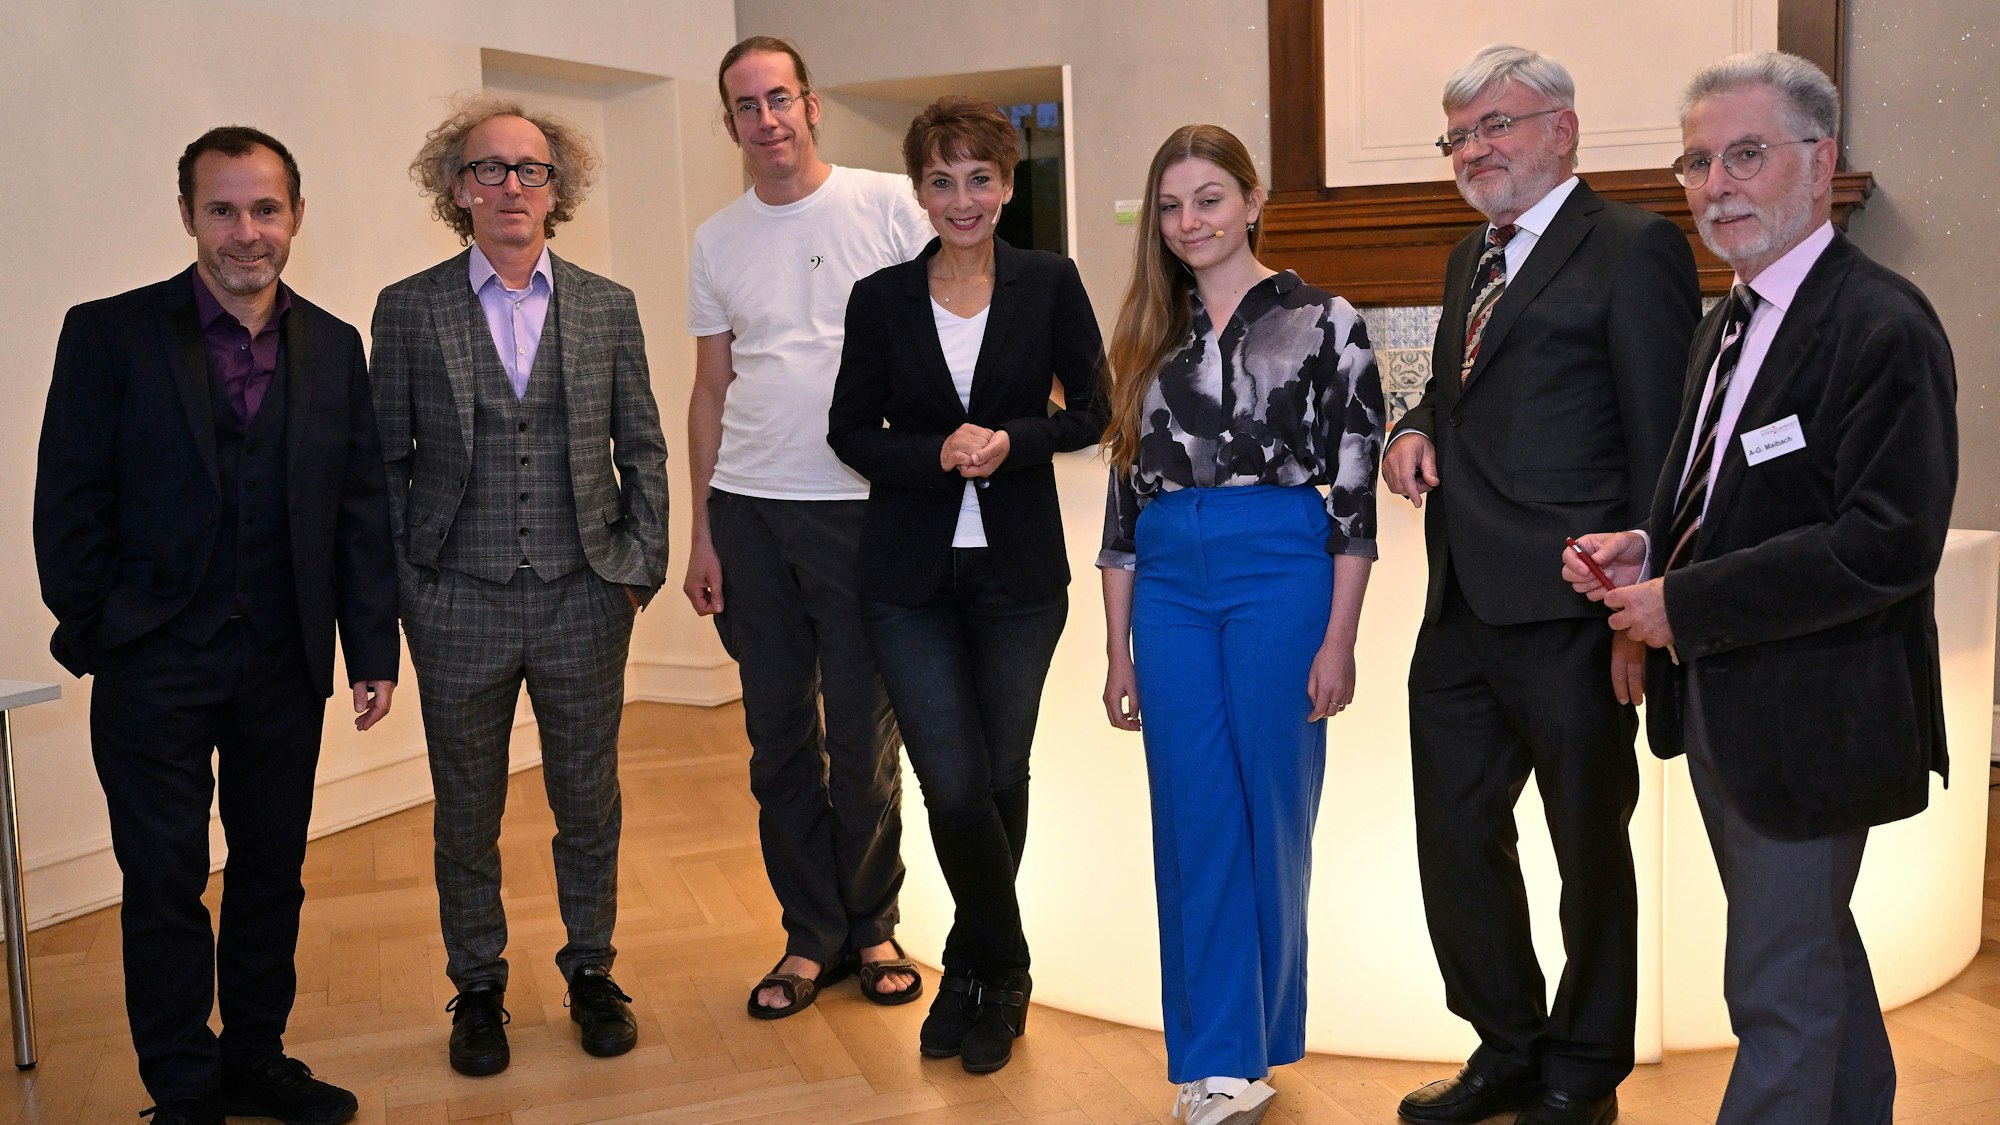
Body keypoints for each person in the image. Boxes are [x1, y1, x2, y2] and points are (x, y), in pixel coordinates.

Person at [1564, 51, 1956, 1125]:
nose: (1714, 184)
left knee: (1773, 992)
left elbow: (1886, 543)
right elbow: (1725, 499)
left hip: (1815, 720)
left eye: (1743, 154)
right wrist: (1648, 550)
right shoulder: (1723, 320)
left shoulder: (1880, 325)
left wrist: (1680, 607)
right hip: (1736, 713)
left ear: (1819, 163)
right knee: (1812, 960)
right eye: (1696, 161)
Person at [33, 125, 398, 1125]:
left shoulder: (332, 344)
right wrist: (104, 629)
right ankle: (183, 1088)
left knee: (272, 870)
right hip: (155, 660)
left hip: (284, 658)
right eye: (224, 210)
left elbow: (360, 507)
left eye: (265, 209)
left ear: (296, 216)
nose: (247, 231)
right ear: (189, 215)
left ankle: (256, 1057)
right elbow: (68, 501)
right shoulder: (108, 333)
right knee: (163, 880)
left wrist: (370, 648)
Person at [1383, 46, 1699, 1125]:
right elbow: (1454, 389)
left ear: (1561, 128)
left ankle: (1583, 1067)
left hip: (1575, 612)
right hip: (1457, 609)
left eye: (1496, 126)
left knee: (1585, 853)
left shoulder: (1634, 248)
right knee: (1455, 841)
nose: (1475, 151)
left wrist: (1636, 616)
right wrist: (1416, 426)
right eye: (1458, 135)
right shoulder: (1469, 254)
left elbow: (1662, 442)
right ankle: (1505, 1045)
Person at [371, 94, 669, 1076]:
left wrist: (638, 570)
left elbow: (646, 448)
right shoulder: (409, 307)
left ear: (556, 189)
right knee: (466, 808)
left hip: (586, 593)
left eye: (529, 170)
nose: (510, 186)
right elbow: (385, 462)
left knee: (588, 798)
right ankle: (479, 987)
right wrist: (416, 583)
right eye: (488, 169)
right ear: (456, 190)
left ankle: (590, 969)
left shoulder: (606, 305)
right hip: (458, 600)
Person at [1097, 124, 1382, 1125]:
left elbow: (1354, 499)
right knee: (1190, 818)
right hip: (1169, 584)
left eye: (1209, 199)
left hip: (1281, 571)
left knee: (1272, 814)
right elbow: (1120, 513)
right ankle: (1213, 1057)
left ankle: (1259, 1041)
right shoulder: (1142, 330)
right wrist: (1113, 647)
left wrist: (1338, 639)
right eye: (1171, 206)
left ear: (1253, 201)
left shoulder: (1324, 321)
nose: (1189, 223)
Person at [828, 95, 1108, 1072]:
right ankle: (1008, 964)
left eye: (978, 178)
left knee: (997, 776)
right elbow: (850, 431)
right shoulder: (880, 299)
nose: (961, 198)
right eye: (941, 181)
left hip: (1021, 575)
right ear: (919, 191)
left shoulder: (1047, 282)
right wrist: (929, 452)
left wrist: (1013, 439)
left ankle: (968, 965)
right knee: (948, 779)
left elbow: (1094, 413)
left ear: (1007, 181)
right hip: (906, 577)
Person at [685, 35, 934, 1019]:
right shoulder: (716, 239)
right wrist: (700, 531)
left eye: (779, 99)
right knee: (778, 739)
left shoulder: (884, 203)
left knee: (864, 741)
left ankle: (872, 924)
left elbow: (941, 331)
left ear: (811, 105)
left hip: (864, 515)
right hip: (748, 513)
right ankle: (809, 934)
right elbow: (710, 389)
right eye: (746, 105)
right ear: (731, 123)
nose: (767, 119)